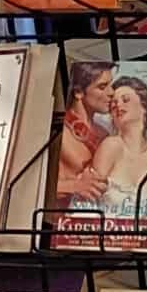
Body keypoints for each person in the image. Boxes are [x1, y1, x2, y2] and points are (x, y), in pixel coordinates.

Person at [84, 75, 147, 238]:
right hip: (106, 246)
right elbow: (87, 201)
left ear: (144, 107)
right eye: (113, 103)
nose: (118, 105)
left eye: (125, 100)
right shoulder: (111, 146)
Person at [57, 59, 114, 206]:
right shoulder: (58, 132)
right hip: (62, 219)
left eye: (111, 85)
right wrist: (74, 186)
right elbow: (35, 183)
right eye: (102, 87)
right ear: (78, 92)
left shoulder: (104, 133)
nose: (111, 93)